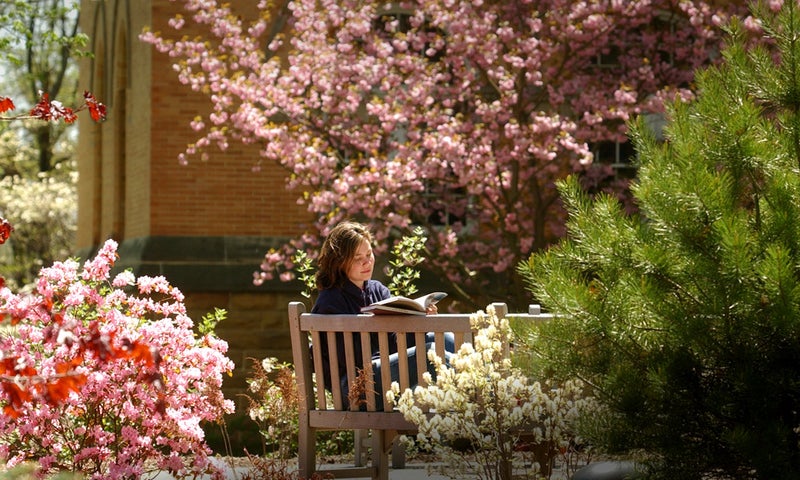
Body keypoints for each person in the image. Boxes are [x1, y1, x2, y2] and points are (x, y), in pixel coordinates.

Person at [311, 221, 451, 409]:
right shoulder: (330, 300)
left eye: (369, 254)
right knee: (429, 354)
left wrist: (420, 321)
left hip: (384, 374)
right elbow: (349, 360)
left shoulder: (378, 291)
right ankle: (483, 390)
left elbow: (396, 343)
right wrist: (377, 330)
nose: (366, 262)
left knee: (441, 338)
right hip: (356, 388)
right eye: (357, 257)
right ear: (339, 262)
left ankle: (479, 386)